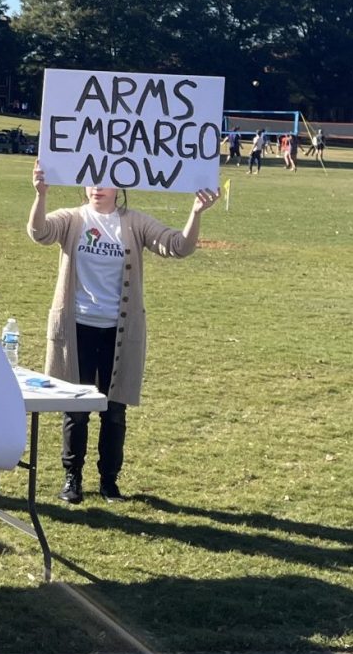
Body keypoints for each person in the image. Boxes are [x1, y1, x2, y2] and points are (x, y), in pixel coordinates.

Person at [27, 160, 218, 504]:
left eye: (106, 182)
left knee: (114, 410)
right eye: (91, 180)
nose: (98, 187)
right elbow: (39, 233)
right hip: (77, 327)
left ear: (120, 187)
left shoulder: (134, 222)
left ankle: (109, 481)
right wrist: (40, 195)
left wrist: (196, 212)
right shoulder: (72, 218)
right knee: (76, 409)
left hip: (118, 330)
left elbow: (179, 246)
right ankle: (72, 478)